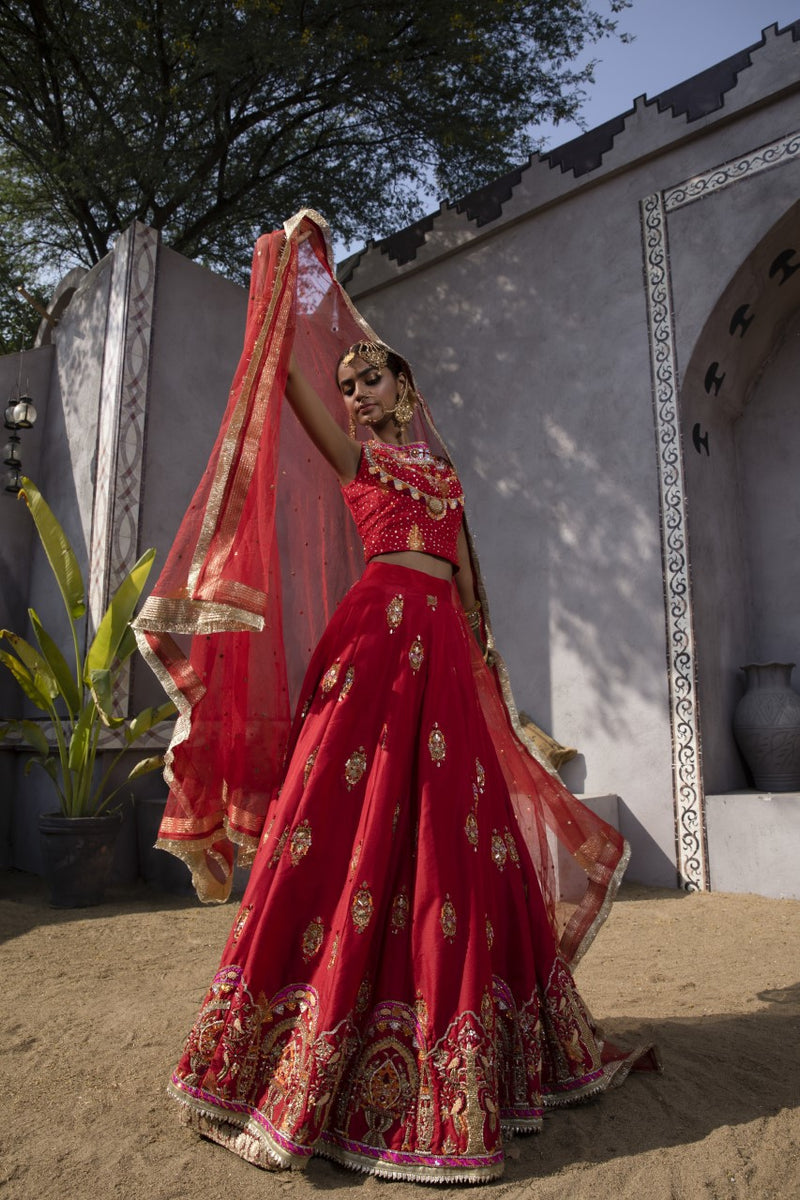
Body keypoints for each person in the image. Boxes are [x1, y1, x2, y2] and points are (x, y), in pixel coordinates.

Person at [134, 210, 657, 1185]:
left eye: (372, 376)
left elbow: (461, 584)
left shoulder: (442, 480)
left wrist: (488, 682)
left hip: (443, 657)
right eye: (350, 383)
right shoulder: (359, 459)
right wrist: (285, 265)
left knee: (455, 844)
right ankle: (301, 1045)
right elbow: (286, 382)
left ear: (404, 385)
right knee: (353, 826)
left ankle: (464, 1053)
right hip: (376, 640)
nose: (358, 390)